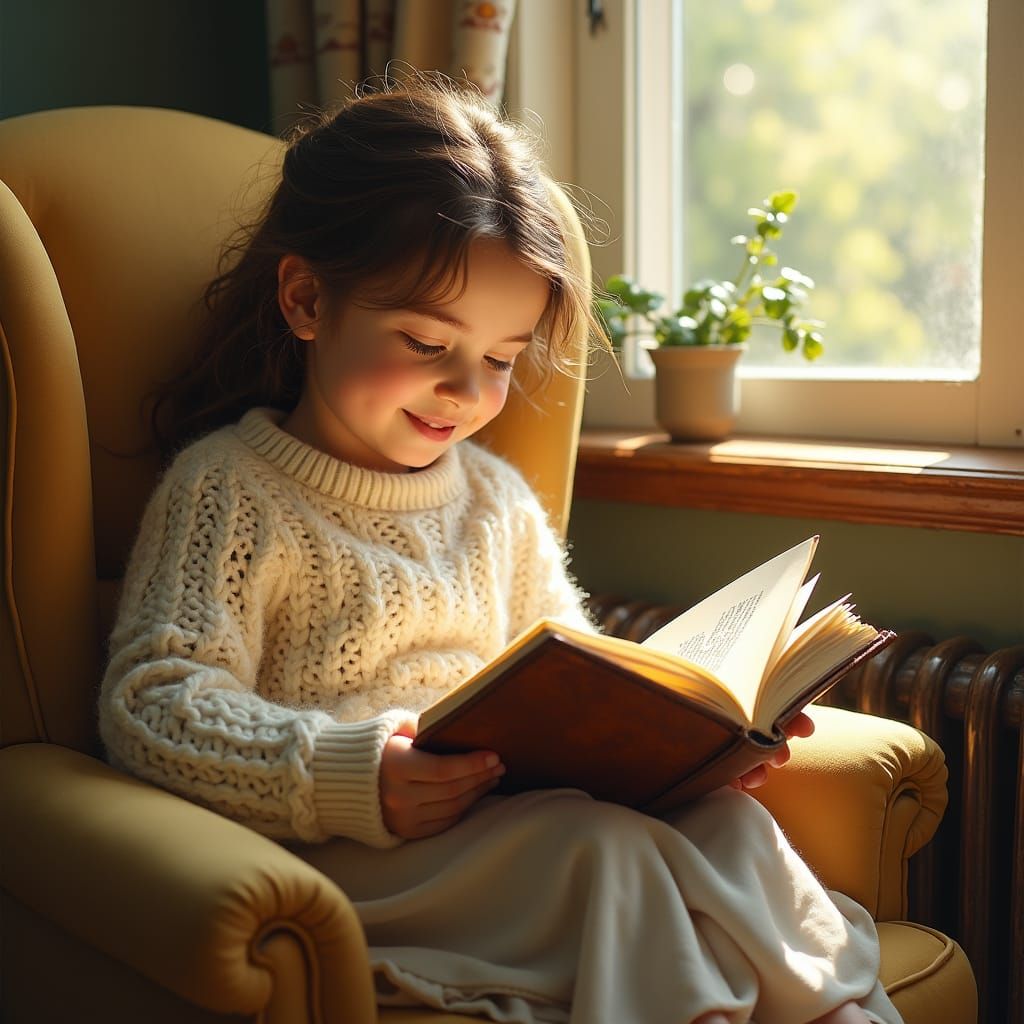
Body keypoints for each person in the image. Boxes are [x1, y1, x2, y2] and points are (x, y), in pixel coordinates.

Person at [98, 75, 901, 1024]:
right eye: (424, 341)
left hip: (516, 827)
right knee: (598, 854)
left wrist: (698, 750)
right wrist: (354, 774)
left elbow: (575, 678)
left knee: (727, 822)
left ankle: (839, 1011)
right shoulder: (229, 487)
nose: (463, 391)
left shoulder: (496, 501)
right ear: (308, 299)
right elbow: (153, 702)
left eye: (501, 359)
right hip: (351, 852)